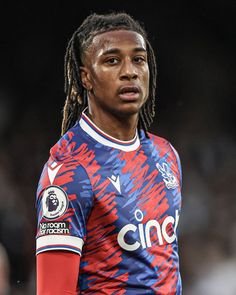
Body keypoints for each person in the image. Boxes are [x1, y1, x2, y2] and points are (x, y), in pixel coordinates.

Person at [36, 12, 183, 295]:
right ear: (86, 77)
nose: (130, 71)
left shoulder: (166, 156)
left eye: (138, 59)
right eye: (112, 60)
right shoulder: (69, 172)